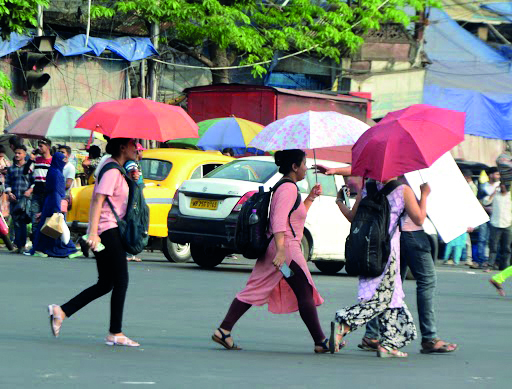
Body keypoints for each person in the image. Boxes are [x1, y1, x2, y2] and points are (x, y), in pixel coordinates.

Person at [212, 149, 328, 353]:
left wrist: (310, 198)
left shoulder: (288, 187)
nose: (306, 168)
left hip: (279, 251)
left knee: (257, 289)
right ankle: (320, 341)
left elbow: (294, 217)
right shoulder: (288, 188)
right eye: (303, 164)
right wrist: (281, 251)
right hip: (286, 252)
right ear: (294, 167)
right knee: (303, 291)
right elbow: (278, 220)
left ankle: (224, 329)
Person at [47, 138, 140, 347]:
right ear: (123, 147)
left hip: (105, 229)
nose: (137, 148)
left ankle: (61, 311)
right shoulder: (112, 170)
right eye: (134, 144)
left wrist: (133, 179)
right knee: (121, 280)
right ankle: (115, 332)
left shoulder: (117, 169)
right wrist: (94, 232)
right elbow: (98, 199)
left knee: (106, 283)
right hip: (107, 231)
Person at [330, 178, 431, 358]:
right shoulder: (403, 190)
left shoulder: (367, 187)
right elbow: (419, 218)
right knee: (382, 299)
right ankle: (344, 322)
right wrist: (424, 195)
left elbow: (353, 217)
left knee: (392, 297)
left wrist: (339, 201)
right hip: (387, 252)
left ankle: (388, 344)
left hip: (368, 249)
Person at [27, 152, 80, 258]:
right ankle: (68, 248)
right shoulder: (56, 173)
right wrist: (57, 208)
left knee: (48, 225)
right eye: (63, 160)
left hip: (51, 202)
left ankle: (40, 248)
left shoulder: (53, 171)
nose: (65, 162)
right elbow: (56, 191)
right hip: (54, 202)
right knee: (56, 225)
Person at [4, 145, 33, 253]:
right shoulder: (11, 168)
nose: (17, 155)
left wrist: (30, 191)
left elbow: (34, 182)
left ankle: (22, 245)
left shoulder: (29, 168)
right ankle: (19, 245)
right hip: (14, 199)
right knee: (16, 222)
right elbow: (7, 182)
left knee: (23, 221)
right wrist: (9, 192)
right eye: (16, 153)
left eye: (19, 153)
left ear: (24, 155)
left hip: (25, 199)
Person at [24, 138, 52, 244]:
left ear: (48, 147)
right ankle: (36, 244)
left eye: (41, 146)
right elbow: (25, 171)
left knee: (46, 218)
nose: (39, 148)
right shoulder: (36, 160)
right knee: (35, 218)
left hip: (47, 193)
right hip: (36, 193)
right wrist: (31, 159)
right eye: (38, 146)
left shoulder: (52, 161)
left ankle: (45, 243)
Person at [472, 167, 500, 269]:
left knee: (493, 240)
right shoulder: (483, 186)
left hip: (497, 217)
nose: (498, 176)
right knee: (482, 239)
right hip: (484, 216)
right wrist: (485, 208)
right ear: (490, 175)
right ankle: (481, 261)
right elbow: (478, 201)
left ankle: (492, 261)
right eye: (496, 174)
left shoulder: (500, 187)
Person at [484, 183, 512, 272]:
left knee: (506, 248)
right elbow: (485, 201)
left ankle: (504, 267)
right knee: (493, 247)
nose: (503, 187)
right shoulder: (495, 195)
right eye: (502, 185)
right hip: (495, 224)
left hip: (507, 224)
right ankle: (490, 265)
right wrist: (493, 192)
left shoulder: (510, 196)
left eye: (505, 186)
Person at [124, 143, 144, 262]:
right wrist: (135, 174)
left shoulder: (136, 164)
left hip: (136, 194)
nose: (142, 154)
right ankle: (128, 252)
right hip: (133, 196)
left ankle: (131, 253)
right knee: (132, 223)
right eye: (141, 151)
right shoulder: (132, 164)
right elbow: (134, 175)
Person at [462, 169, 477, 266]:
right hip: (464, 213)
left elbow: (472, 201)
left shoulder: (472, 187)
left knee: (467, 239)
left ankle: (468, 258)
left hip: (468, 214)